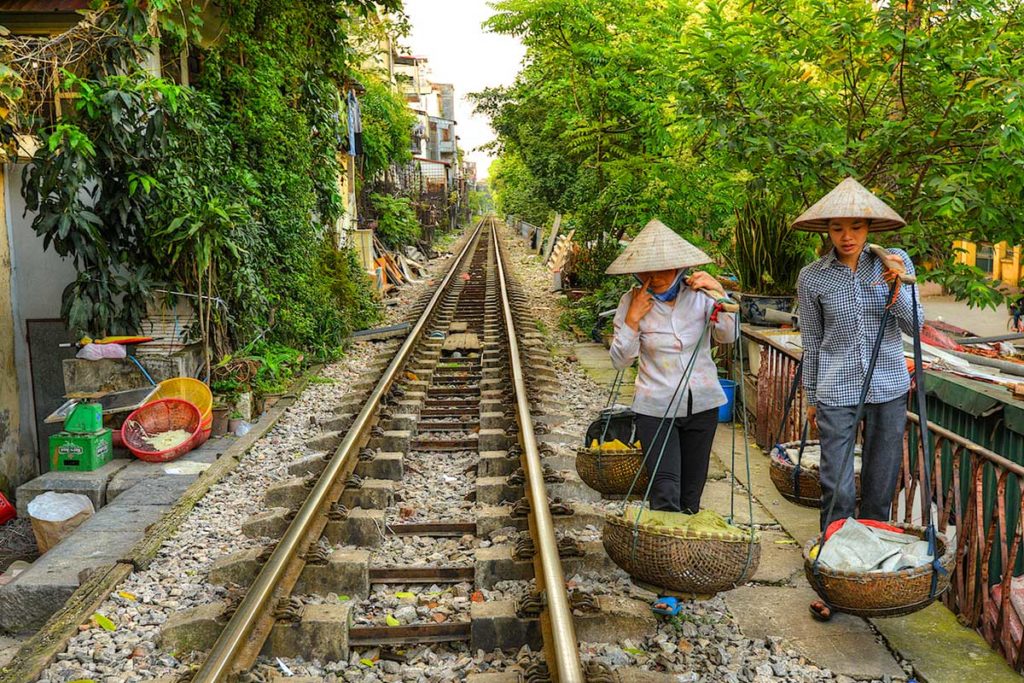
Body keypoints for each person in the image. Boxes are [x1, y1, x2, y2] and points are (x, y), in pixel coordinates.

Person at [793, 177, 924, 621]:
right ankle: (831, 578)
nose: (847, 237)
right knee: (836, 487)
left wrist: (896, 284)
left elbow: (914, 327)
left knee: (881, 485)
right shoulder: (812, 278)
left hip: (887, 387)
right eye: (836, 229)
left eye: (855, 227)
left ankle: (870, 579)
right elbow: (812, 340)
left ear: (869, 228)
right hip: (835, 389)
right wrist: (812, 396)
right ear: (826, 233)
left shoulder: (896, 262)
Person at [607, 218, 738, 516]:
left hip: (702, 404)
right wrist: (633, 320)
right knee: (665, 489)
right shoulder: (631, 302)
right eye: (647, 269)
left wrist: (720, 293)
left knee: (691, 493)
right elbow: (620, 360)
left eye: (664, 267)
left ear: (680, 267)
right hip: (655, 407)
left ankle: (682, 558)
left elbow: (728, 335)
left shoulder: (701, 297)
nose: (655, 275)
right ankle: (661, 558)